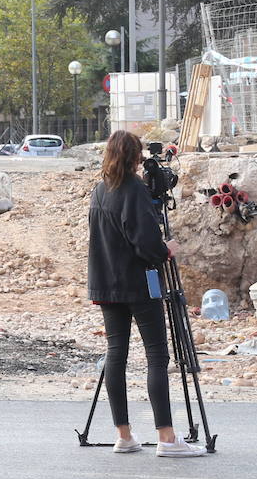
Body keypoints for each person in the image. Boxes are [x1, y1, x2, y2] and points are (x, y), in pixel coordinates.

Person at [87, 130, 207, 458]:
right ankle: (167, 438)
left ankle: (123, 435)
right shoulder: (134, 190)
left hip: (106, 285)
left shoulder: (99, 192)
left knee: (116, 354)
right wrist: (165, 249)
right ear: (134, 156)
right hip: (139, 283)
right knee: (157, 355)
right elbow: (146, 242)